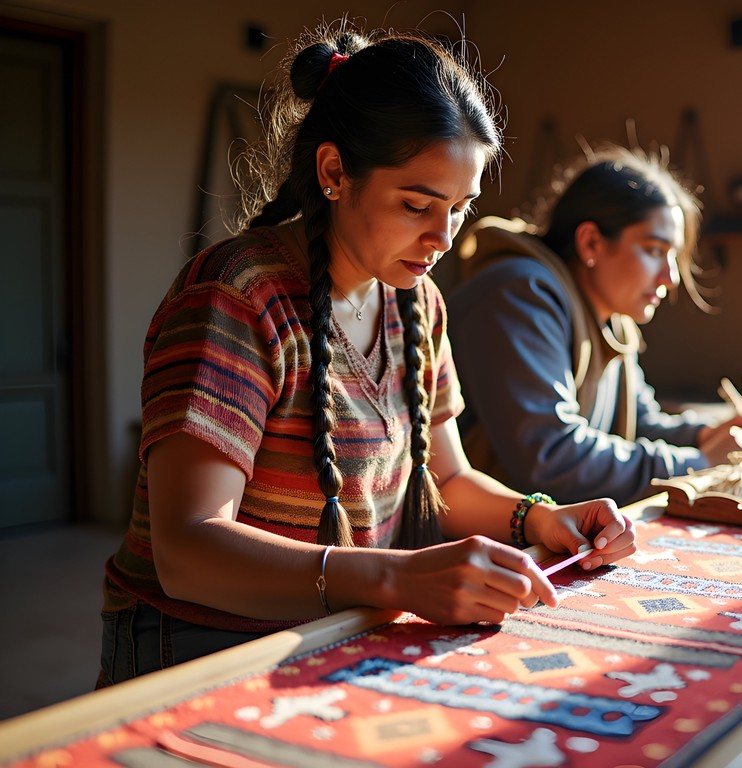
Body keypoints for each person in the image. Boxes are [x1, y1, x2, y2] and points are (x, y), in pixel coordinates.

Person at [99, 20, 635, 686]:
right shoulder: (239, 295)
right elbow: (188, 550)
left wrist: (542, 516)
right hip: (200, 646)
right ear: (333, 172)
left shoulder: (417, 303)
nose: (442, 236)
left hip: (339, 628)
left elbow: (449, 483)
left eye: (461, 208)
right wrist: (396, 576)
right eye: (417, 204)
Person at [447, 143, 742, 506]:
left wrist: (705, 434)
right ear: (591, 242)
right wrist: (699, 463)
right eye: (654, 250)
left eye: (672, 256)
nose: (670, 278)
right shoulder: (518, 293)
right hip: (485, 544)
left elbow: (641, 423)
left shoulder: (612, 321)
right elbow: (551, 459)